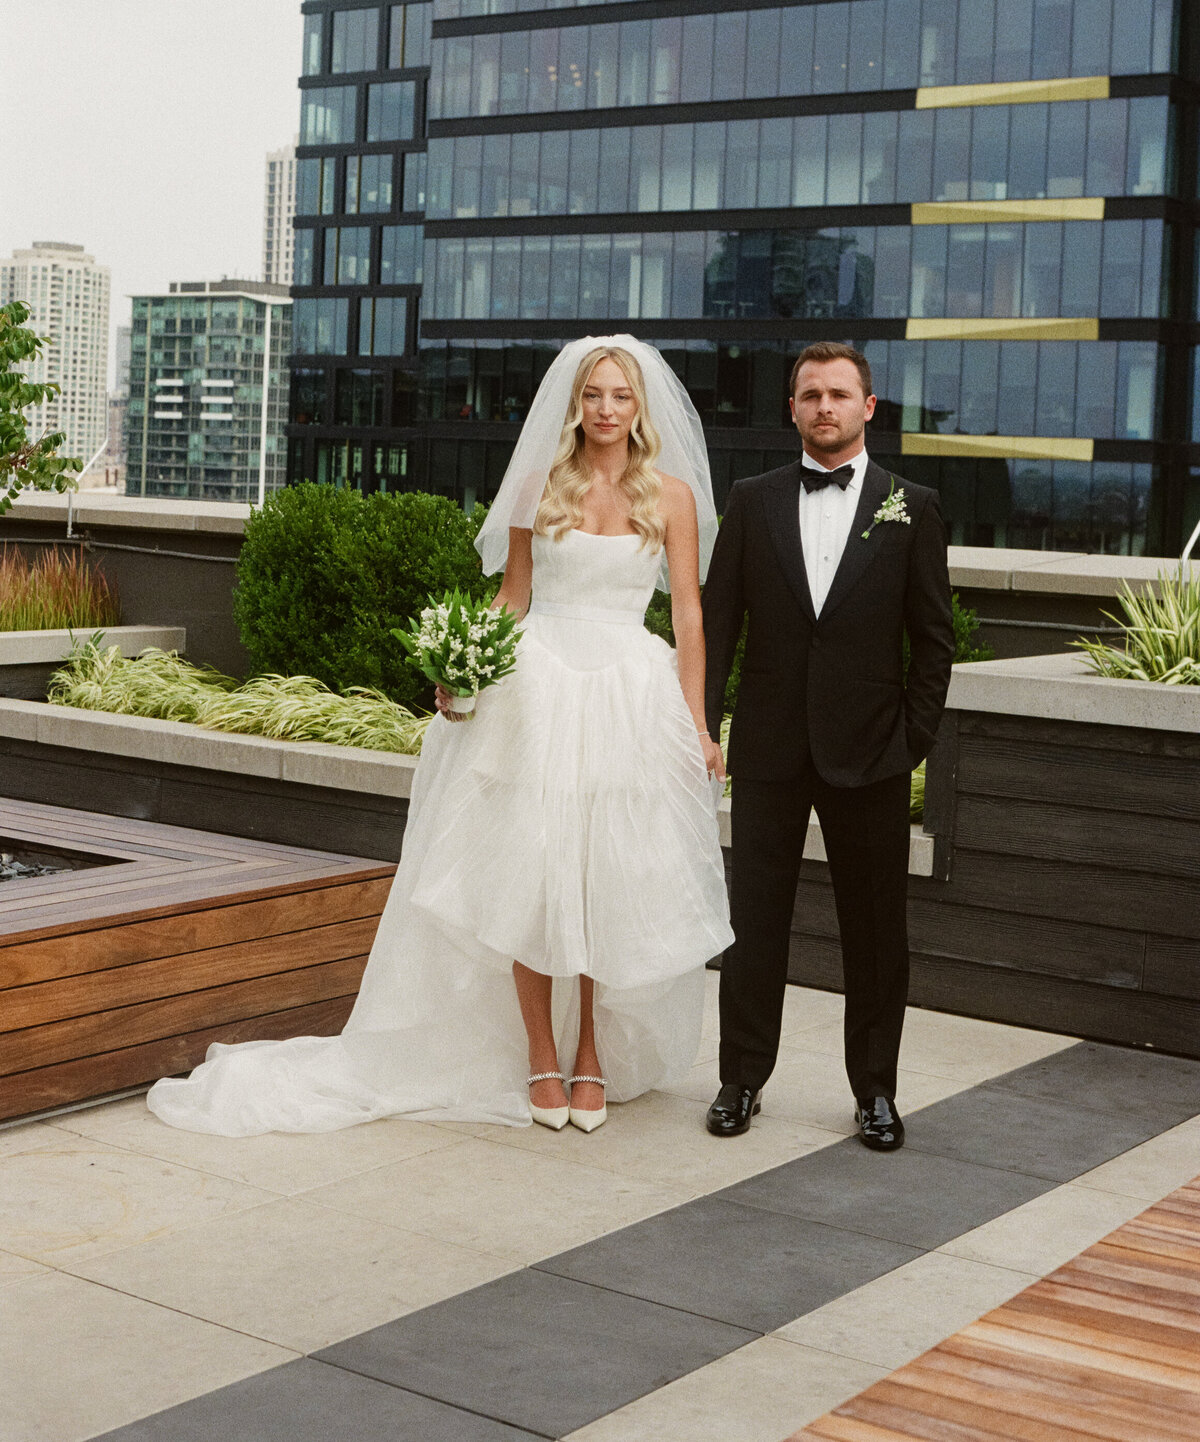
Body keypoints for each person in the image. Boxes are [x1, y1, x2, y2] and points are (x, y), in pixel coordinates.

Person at [146, 336, 732, 1138]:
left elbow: (691, 615)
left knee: (604, 876)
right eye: (593, 395)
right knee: (530, 869)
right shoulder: (538, 486)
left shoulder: (669, 495)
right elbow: (512, 600)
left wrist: (699, 723)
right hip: (539, 689)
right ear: (574, 404)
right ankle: (539, 1051)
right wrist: (465, 669)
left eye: (619, 397)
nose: (605, 410)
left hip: (631, 694)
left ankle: (590, 1049)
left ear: (640, 408)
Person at [701, 341, 954, 1152]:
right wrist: (708, 727)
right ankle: (740, 1080)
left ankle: (875, 1091)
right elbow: (718, 626)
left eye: (839, 394)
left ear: (868, 407)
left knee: (877, 933)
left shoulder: (912, 506)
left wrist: (909, 741)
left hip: (871, 754)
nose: (824, 407)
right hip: (771, 749)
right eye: (810, 394)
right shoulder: (751, 499)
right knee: (754, 925)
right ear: (792, 408)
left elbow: (934, 641)